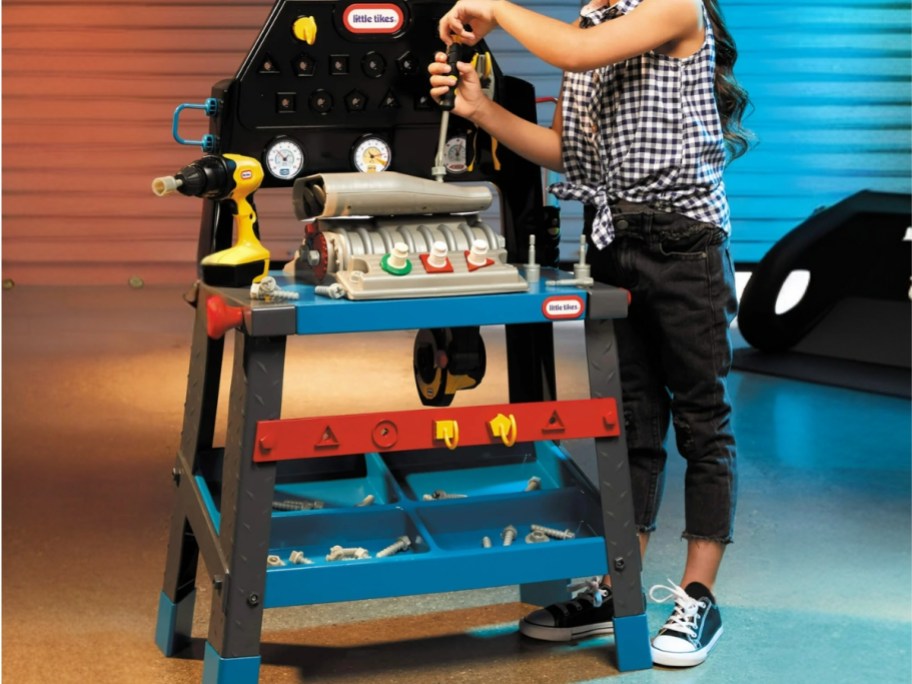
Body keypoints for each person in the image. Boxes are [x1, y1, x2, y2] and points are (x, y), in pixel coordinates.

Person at [429, 0, 751, 668]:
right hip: (612, 247)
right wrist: (480, 108)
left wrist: (493, 8)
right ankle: (617, 587)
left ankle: (698, 596)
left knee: (702, 422)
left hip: (687, 248)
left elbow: (573, 55)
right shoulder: (586, 25)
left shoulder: (672, 5)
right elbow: (568, 153)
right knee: (632, 422)